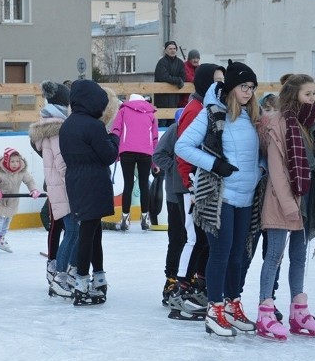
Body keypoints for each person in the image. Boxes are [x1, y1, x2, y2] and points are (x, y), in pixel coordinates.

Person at [175, 61, 264, 337]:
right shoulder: (212, 114)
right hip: (219, 196)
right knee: (221, 252)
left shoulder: (252, 116)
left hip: (246, 196)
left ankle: (231, 305)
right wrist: (215, 165)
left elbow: (259, 151)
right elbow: (182, 146)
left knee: (239, 254)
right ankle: (214, 309)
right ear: (231, 88)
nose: (248, 92)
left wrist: (260, 168)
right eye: (243, 87)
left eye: (251, 87)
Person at [256, 74, 315, 340]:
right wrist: (290, 206)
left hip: (308, 198)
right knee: (274, 256)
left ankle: (298, 311)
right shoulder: (278, 124)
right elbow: (277, 172)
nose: (313, 98)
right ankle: (265, 312)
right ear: (294, 95)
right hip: (282, 201)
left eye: (314, 93)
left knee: (299, 256)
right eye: (308, 94)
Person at [58, 79, 120, 306]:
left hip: (76, 182)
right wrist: (114, 137)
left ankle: (98, 276)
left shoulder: (67, 125)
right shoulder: (93, 126)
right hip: (93, 182)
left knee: (93, 232)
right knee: (89, 234)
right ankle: (83, 281)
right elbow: (109, 155)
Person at [168, 63, 225, 307]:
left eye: (223, 81)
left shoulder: (209, 107)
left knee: (203, 238)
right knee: (193, 238)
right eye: (216, 81)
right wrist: (190, 186)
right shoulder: (195, 110)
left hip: (200, 185)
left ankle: (197, 283)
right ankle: (181, 287)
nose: (220, 86)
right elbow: (183, 153)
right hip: (190, 186)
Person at [29, 82, 75, 298]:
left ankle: (60, 270)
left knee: (66, 228)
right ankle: (58, 272)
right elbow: (60, 160)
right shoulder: (57, 126)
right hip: (62, 184)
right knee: (66, 228)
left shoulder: (50, 124)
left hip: (56, 183)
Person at [110, 93, 159, 231]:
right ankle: (145, 218)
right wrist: (155, 163)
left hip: (127, 151)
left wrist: (115, 153)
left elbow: (116, 130)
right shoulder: (151, 114)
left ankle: (125, 218)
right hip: (146, 152)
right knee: (144, 185)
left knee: (128, 184)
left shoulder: (123, 111)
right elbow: (155, 139)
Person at [0, 148, 40, 254]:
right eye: (12, 161)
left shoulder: (22, 171)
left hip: (12, 201)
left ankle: (0, 238)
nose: (15, 164)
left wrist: (33, 190)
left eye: (17, 161)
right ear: (6, 161)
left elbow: (29, 181)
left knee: (7, 221)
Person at [153, 41, 186, 126]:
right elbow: (163, 77)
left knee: (173, 126)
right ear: (166, 50)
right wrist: (178, 80)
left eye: (174, 48)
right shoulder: (162, 63)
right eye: (170, 49)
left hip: (175, 100)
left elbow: (183, 77)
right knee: (162, 125)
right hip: (162, 100)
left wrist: (178, 80)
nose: (172, 50)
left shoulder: (180, 63)